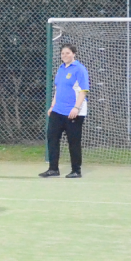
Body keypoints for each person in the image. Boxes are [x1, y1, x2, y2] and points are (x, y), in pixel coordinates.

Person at [40, 44, 89, 178]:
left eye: (67, 53)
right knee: (52, 137)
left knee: (73, 141)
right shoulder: (61, 69)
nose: (65, 56)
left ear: (74, 54)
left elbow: (83, 91)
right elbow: (58, 89)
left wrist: (76, 108)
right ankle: (53, 169)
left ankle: (76, 170)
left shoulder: (79, 69)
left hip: (73, 112)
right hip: (58, 110)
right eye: (62, 53)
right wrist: (52, 106)